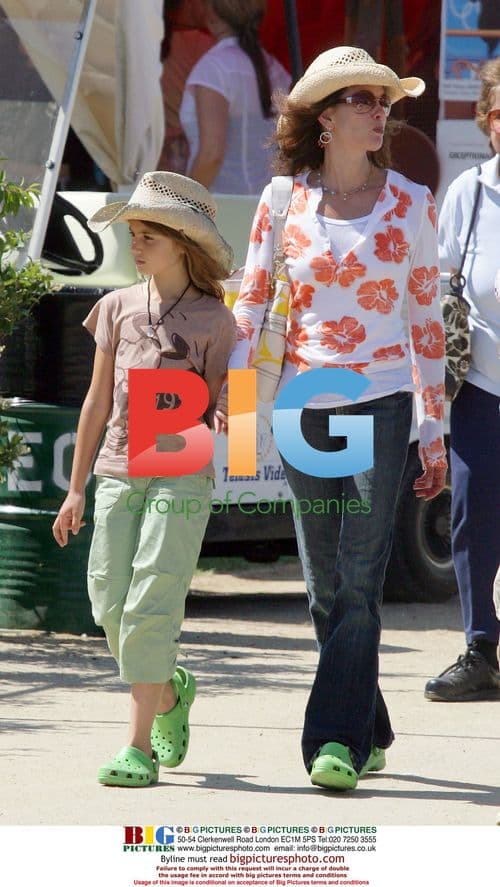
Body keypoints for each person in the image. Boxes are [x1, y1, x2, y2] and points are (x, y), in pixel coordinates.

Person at [216, 46, 446, 790]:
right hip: (303, 402)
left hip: (380, 401)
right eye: (361, 99)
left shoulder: (412, 202)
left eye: (385, 99)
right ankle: (370, 721)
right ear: (324, 118)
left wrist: (433, 427)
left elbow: (425, 320)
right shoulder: (282, 202)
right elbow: (250, 306)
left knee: (359, 574)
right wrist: (240, 408)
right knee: (322, 584)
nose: (380, 111)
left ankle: (333, 741)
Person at [52, 171, 236, 786]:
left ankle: (137, 748)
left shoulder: (216, 318)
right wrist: (76, 487)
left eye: (147, 236)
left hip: (179, 466)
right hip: (114, 468)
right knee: (108, 601)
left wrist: (233, 410)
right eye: (132, 234)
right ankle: (168, 692)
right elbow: (96, 402)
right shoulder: (114, 307)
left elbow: (225, 405)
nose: (136, 245)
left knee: (153, 600)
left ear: (181, 242)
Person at [424, 58, 500, 702]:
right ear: (488, 122)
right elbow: (440, 290)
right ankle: (481, 650)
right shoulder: (469, 193)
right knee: (472, 518)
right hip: (481, 389)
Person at [179, 0, 290, 194]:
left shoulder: (214, 68)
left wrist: (183, 203)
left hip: (220, 208)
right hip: (267, 207)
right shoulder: (276, 70)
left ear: (212, 13)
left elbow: (212, 155)